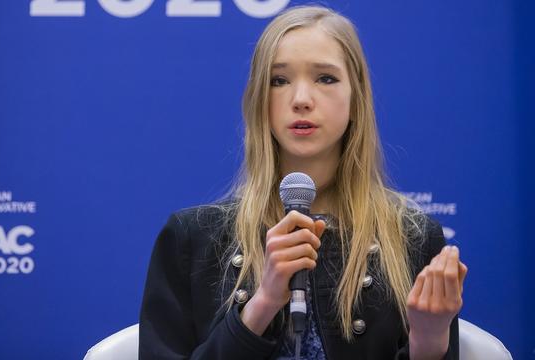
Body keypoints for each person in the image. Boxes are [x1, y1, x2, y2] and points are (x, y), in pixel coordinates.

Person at [139, 5, 467, 360]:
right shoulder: (190, 238)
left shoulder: (412, 238)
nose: (301, 100)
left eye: (325, 78)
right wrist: (262, 303)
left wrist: (430, 341)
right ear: (258, 100)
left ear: (356, 98)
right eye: (279, 80)